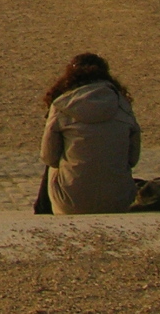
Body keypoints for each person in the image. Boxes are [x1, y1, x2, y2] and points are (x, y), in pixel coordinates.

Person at [38, 53, 140, 214]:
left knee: (54, 159)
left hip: (70, 203)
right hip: (118, 201)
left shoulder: (61, 106)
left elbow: (48, 157)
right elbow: (132, 159)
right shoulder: (123, 105)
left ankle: (43, 210)